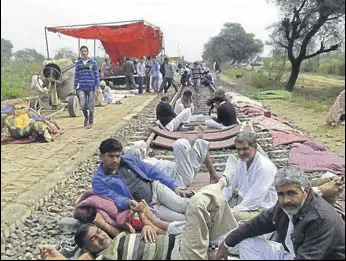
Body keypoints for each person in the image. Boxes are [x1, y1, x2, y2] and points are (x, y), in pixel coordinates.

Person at [217, 166, 345, 260]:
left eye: (292, 193)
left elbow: (307, 258)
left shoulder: (320, 219)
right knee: (248, 244)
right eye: (281, 194)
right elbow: (256, 225)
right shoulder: (283, 206)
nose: (286, 200)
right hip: (293, 253)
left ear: (305, 191)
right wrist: (226, 243)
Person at [91, 138, 191, 222]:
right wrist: (128, 203)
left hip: (156, 189)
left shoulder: (129, 161)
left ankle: (205, 210)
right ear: (102, 156)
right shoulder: (99, 181)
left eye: (118, 156)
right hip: (149, 207)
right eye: (111, 156)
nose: (115, 160)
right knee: (182, 219)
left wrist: (173, 185)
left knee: (183, 205)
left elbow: (152, 171)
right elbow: (114, 197)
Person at [40, 223, 183, 260]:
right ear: (86, 249)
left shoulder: (118, 239)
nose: (101, 237)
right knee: (198, 205)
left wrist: (148, 226)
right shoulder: (105, 256)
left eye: (99, 232)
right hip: (175, 253)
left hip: (177, 239)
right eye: (93, 239)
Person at [74, 46, 100, 128]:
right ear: (80, 53)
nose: (83, 53)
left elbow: (96, 75)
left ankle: (91, 122)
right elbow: (76, 76)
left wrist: (97, 86)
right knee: (82, 105)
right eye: (82, 51)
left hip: (91, 87)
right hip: (81, 87)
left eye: (85, 51)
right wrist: (75, 86)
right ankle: (86, 117)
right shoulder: (78, 64)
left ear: (87, 52)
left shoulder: (93, 63)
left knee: (90, 105)